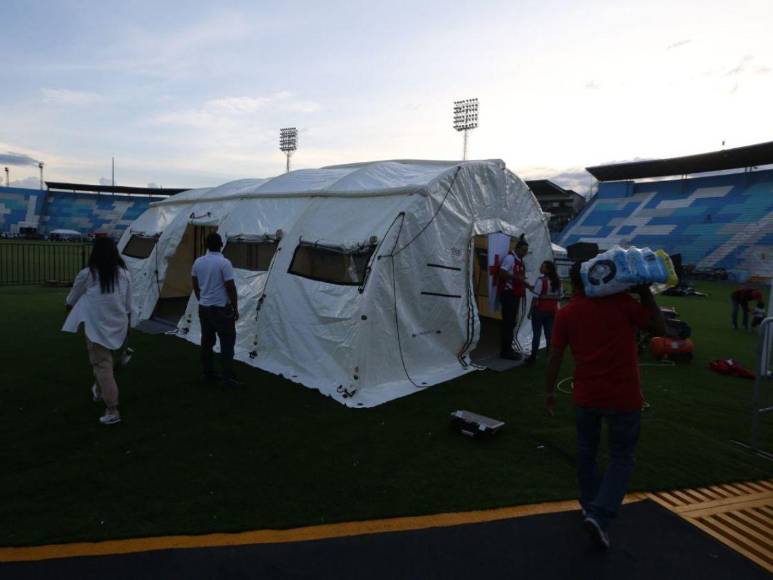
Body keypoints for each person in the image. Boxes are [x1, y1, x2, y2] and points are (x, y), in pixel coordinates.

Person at [544, 262, 665, 549]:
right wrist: (645, 292)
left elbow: (555, 356)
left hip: (586, 397)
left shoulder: (568, 312)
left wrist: (549, 391)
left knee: (587, 451)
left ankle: (589, 506)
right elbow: (660, 328)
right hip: (623, 397)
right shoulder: (622, 303)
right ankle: (600, 513)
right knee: (622, 457)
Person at [62, 237, 132, 425]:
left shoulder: (88, 274)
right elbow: (127, 305)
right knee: (104, 362)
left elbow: (71, 299)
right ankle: (100, 390)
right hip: (119, 325)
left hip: (96, 327)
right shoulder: (124, 274)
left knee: (102, 365)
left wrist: (70, 308)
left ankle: (112, 409)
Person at [192, 233, 239, 387]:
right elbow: (230, 287)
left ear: (206, 245)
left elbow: (195, 283)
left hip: (204, 308)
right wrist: (235, 307)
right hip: (220, 308)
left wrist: (201, 298)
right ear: (221, 244)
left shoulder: (198, 262)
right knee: (227, 342)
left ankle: (208, 373)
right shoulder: (224, 263)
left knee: (207, 342)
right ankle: (227, 378)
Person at [498, 235, 533, 360]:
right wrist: (516, 278)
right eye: (523, 250)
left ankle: (508, 348)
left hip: (515, 294)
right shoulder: (510, 258)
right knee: (508, 323)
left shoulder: (519, 260)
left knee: (511, 322)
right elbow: (502, 273)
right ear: (517, 248)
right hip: (509, 295)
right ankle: (505, 352)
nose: (525, 253)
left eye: (526, 251)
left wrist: (528, 286)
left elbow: (519, 278)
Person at [525, 260, 561, 365]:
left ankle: (533, 357)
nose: (541, 267)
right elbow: (561, 295)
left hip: (540, 310)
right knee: (549, 334)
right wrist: (550, 297)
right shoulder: (557, 281)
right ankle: (549, 356)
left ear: (548, 270)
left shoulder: (541, 281)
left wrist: (531, 311)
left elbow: (535, 297)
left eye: (543, 266)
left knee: (537, 334)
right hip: (552, 310)